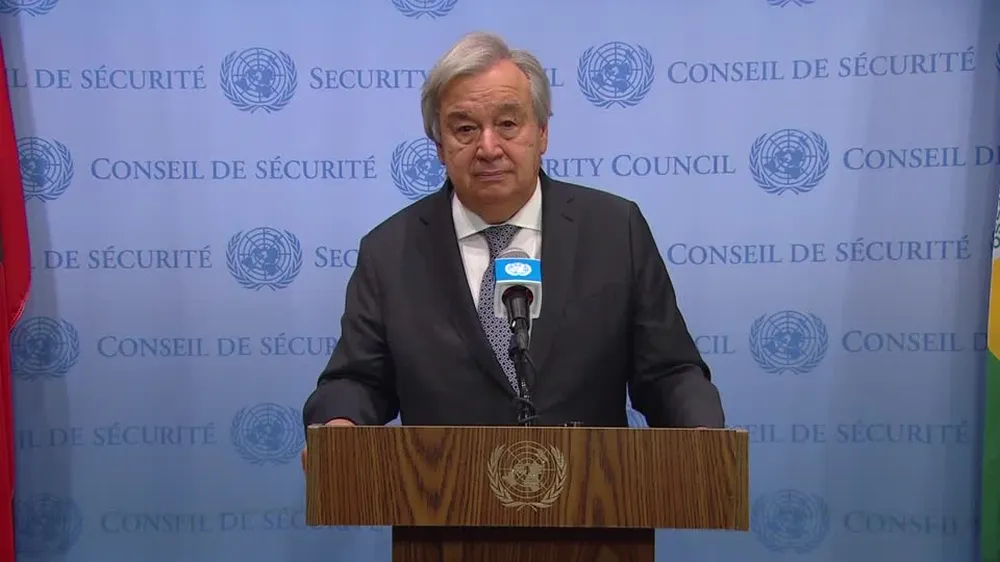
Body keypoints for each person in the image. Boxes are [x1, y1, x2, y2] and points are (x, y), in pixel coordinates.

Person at [300, 31, 725, 450]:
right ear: (440, 146)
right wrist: (339, 424)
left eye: (507, 124)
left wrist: (701, 431)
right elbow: (356, 380)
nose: (488, 148)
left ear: (541, 133)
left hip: (591, 489)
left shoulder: (615, 231)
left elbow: (668, 372)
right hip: (444, 491)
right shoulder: (390, 252)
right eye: (465, 128)